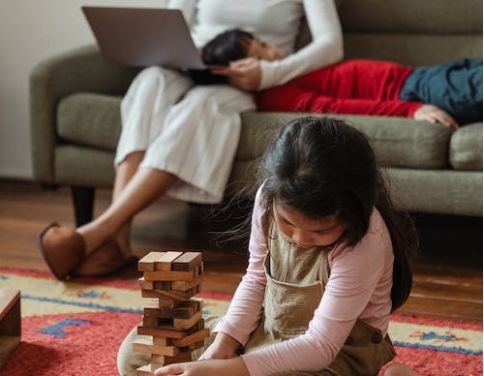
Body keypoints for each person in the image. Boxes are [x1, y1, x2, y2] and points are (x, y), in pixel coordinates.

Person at [37, 0, 344, 280]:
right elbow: (170, 24)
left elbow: (331, 44)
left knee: (201, 105)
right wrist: (174, 55)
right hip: (195, 64)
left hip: (252, 76)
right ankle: (118, 241)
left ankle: (97, 233)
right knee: (150, 81)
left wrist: (271, 72)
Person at [117, 116, 422, 376]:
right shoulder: (268, 197)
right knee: (136, 351)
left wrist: (232, 369)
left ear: (354, 211)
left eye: (320, 230)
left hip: (337, 353)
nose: (300, 239)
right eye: (287, 223)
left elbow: (321, 346)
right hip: (267, 333)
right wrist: (222, 348)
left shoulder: (365, 240)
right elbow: (256, 278)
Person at [202, 29, 483, 129]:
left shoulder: (292, 68)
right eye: (260, 53)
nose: (272, 49)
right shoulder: (277, 95)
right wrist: (411, 109)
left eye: (263, 42)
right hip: (413, 91)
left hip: (421, 76)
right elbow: (340, 108)